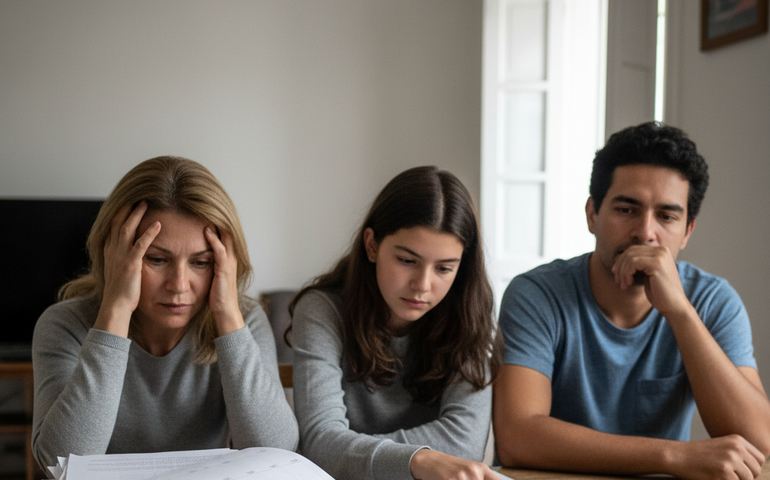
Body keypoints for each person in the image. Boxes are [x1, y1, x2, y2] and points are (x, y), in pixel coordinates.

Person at [494, 122, 770, 480]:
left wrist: (680, 313)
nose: (646, 232)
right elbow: (518, 437)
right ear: (592, 214)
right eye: (626, 210)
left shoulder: (712, 300)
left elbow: (759, 441)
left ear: (687, 231)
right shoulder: (537, 295)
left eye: (667, 216)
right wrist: (674, 456)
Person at [31, 156, 298, 471]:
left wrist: (227, 317)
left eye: (201, 262)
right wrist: (116, 311)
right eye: (157, 259)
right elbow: (58, 463)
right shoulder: (65, 324)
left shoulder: (244, 321)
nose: (179, 285)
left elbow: (276, 454)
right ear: (114, 254)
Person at [290, 166, 503, 480]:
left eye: (444, 268)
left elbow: (465, 443)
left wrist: (348, 454)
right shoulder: (322, 310)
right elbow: (318, 444)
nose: (423, 284)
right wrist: (418, 461)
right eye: (407, 261)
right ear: (372, 245)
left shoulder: (471, 316)